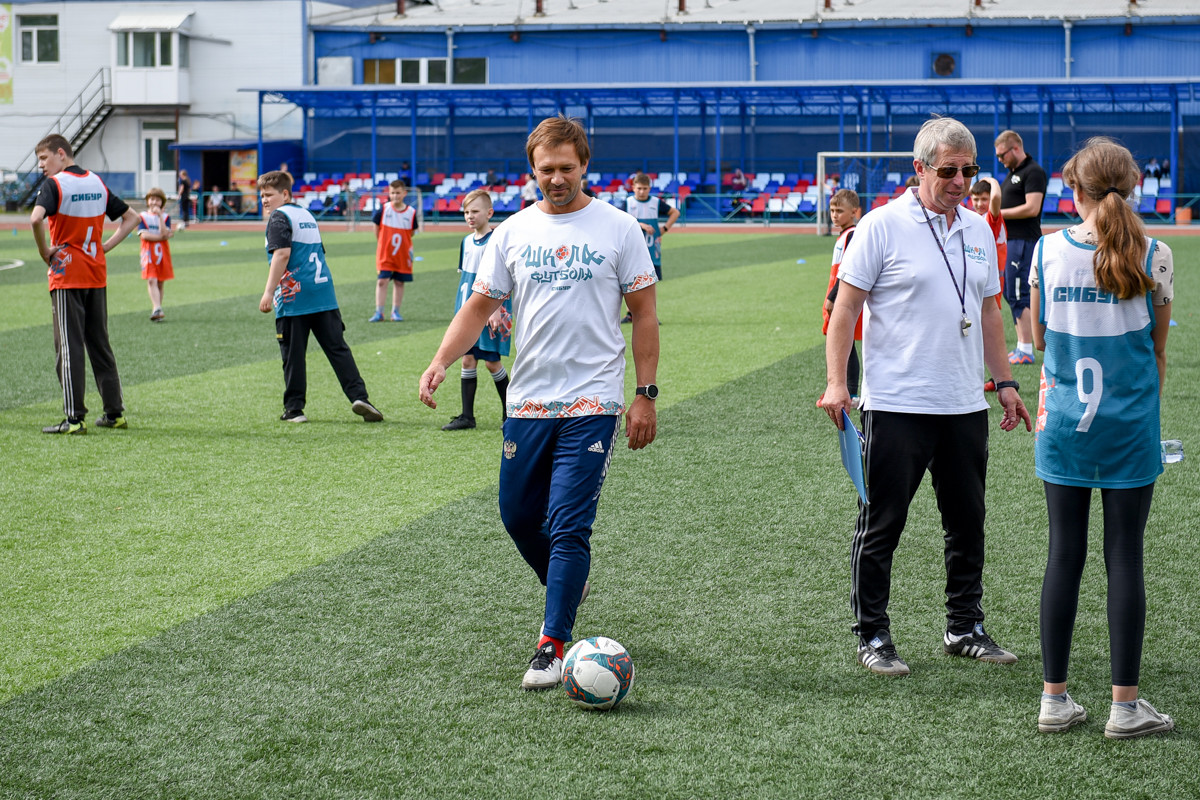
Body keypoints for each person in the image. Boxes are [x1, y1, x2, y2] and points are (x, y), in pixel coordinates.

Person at [418, 115, 659, 691]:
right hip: (527, 399)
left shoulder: (621, 228)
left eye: (567, 168)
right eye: (546, 170)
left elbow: (645, 315)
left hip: (593, 399)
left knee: (568, 524)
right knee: (519, 517)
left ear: (584, 166)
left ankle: (551, 644)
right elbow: (479, 307)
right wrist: (441, 360)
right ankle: (567, 585)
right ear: (533, 171)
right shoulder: (512, 233)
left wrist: (645, 395)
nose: (556, 178)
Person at [822, 116, 1032, 677]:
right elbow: (844, 310)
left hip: (964, 402)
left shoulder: (980, 227)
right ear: (919, 170)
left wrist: (1005, 382)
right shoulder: (880, 226)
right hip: (896, 403)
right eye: (947, 171)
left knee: (967, 522)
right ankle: (873, 635)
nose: (960, 181)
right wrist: (839, 383)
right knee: (882, 522)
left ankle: (964, 626)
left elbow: (989, 312)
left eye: (968, 170)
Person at [1031, 137, 1174, 740]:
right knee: (1125, 558)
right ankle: (1125, 706)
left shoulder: (1045, 251)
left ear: (1075, 189)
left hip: (1063, 425)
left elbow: (1040, 345)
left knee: (1064, 554)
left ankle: (1054, 699)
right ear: (1132, 187)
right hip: (1129, 428)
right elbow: (1158, 350)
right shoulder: (1157, 252)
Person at [29, 133, 140, 434]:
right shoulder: (96, 182)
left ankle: (74, 419)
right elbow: (132, 218)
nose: (41, 166)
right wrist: (105, 246)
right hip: (95, 273)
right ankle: (114, 413)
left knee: (69, 346)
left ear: (61, 154)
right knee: (99, 343)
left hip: (67, 276)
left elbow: (35, 219)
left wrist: (44, 252)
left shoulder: (54, 185)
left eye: (43, 158)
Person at [256, 170, 384, 425]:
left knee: (293, 354)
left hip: (295, 297)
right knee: (338, 350)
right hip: (324, 294)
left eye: (269, 195)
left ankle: (294, 409)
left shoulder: (279, 218)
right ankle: (361, 398)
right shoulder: (307, 215)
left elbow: (281, 254)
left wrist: (269, 291)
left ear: (284, 194)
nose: (264, 200)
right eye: (261, 195)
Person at [441, 189, 512, 432]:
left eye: (475, 211)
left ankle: (510, 414)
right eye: (466, 212)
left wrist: (498, 309)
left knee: (492, 363)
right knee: (467, 359)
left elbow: (503, 279)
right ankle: (467, 417)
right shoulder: (466, 242)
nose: (469, 216)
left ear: (489, 213)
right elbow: (465, 279)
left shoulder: (496, 241)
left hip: (490, 311)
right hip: (467, 310)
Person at [995, 130, 1047, 366]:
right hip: (1012, 241)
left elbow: (1032, 208)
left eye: (1002, 154)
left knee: (1018, 292)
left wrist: (997, 214)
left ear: (1015, 148)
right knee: (1010, 292)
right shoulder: (1012, 174)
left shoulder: (1033, 171)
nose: (999, 160)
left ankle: (1026, 348)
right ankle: (1021, 345)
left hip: (1024, 240)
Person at [620, 172, 679, 324]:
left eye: (645, 188)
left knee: (650, 281)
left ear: (649, 188)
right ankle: (630, 313)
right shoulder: (628, 202)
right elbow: (619, 221)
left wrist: (664, 229)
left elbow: (675, 212)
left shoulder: (655, 202)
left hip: (653, 248)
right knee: (630, 279)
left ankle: (651, 314)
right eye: (639, 188)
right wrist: (640, 225)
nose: (642, 191)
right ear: (633, 188)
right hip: (632, 248)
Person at [820, 188, 862, 402]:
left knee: (846, 341)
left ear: (855, 212)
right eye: (832, 210)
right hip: (837, 295)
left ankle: (851, 391)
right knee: (843, 340)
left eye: (839, 211)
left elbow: (847, 268)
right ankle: (844, 388)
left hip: (842, 297)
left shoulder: (853, 234)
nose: (834, 215)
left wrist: (833, 297)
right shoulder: (844, 235)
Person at [970, 177, 1008, 391]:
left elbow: (996, 196)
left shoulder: (991, 218)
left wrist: (989, 179)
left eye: (983, 199)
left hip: (990, 282)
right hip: (983, 280)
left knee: (984, 330)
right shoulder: (976, 218)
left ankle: (994, 378)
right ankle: (993, 378)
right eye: (975, 199)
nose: (979, 203)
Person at [369, 179, 419, 322]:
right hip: (385, 253)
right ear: (389, 194)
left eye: (398, 193)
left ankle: (395, 312)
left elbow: (412, 232)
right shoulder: (384, 209)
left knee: (399, 282)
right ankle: (379, 312)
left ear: (404, 193)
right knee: (382, 281)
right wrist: (384, 243)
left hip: (403, 254)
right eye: (392, 193)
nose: (395, 196)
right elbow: (376, 229)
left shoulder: (411, 212)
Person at [138, 187, 174, 322]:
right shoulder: (143, 216)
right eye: (152, 199)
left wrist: (159, 216)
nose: (154, 202)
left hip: (162, 253)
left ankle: (158, 308)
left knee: (160, 281)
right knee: (151, 279)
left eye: (157, 200)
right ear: (148, 201)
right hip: (148, 253)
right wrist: (162, 237)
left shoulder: (165, 217)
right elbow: (144, 236)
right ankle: (156, 308)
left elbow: (165, 232)